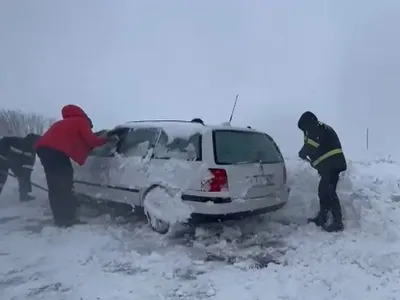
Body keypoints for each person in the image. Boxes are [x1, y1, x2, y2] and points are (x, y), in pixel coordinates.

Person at [35, 104, 109, 227]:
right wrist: (106, 139)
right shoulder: (81, 121)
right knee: (64, 183)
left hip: (43, 150)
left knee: (55, 185)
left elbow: (75, 142)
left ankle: (60, 218)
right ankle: (67, 218)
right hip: (56, 152)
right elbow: (92, 141)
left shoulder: (62, 123)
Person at [297, 111, 347, 232]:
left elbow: (312, 145)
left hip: (334, 165)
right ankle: (322, 217)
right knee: (323, 191)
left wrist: (303, 152)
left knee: (329, 192)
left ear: (308, 123)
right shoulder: (318, 128)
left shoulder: (318, 128)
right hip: (329, 166)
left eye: (304, 128)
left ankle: (337, 221)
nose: (305, 131)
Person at [0, 133, 41, 201]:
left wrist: (25, 182)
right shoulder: (16, 141)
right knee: (1, 178)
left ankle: (23, 196)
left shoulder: (32, 154)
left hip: (15, 163)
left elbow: (27, 171)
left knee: (23, 177)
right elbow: (3, 141)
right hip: (2, 159)